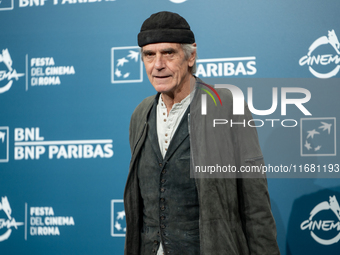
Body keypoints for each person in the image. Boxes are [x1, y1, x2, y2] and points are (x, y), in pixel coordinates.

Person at [124, 11, 280, 255]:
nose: (158, 65)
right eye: (149, 55)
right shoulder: (140, 114)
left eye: (168, 53)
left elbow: (255, 205)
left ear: (191, 56)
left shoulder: (227, 105)